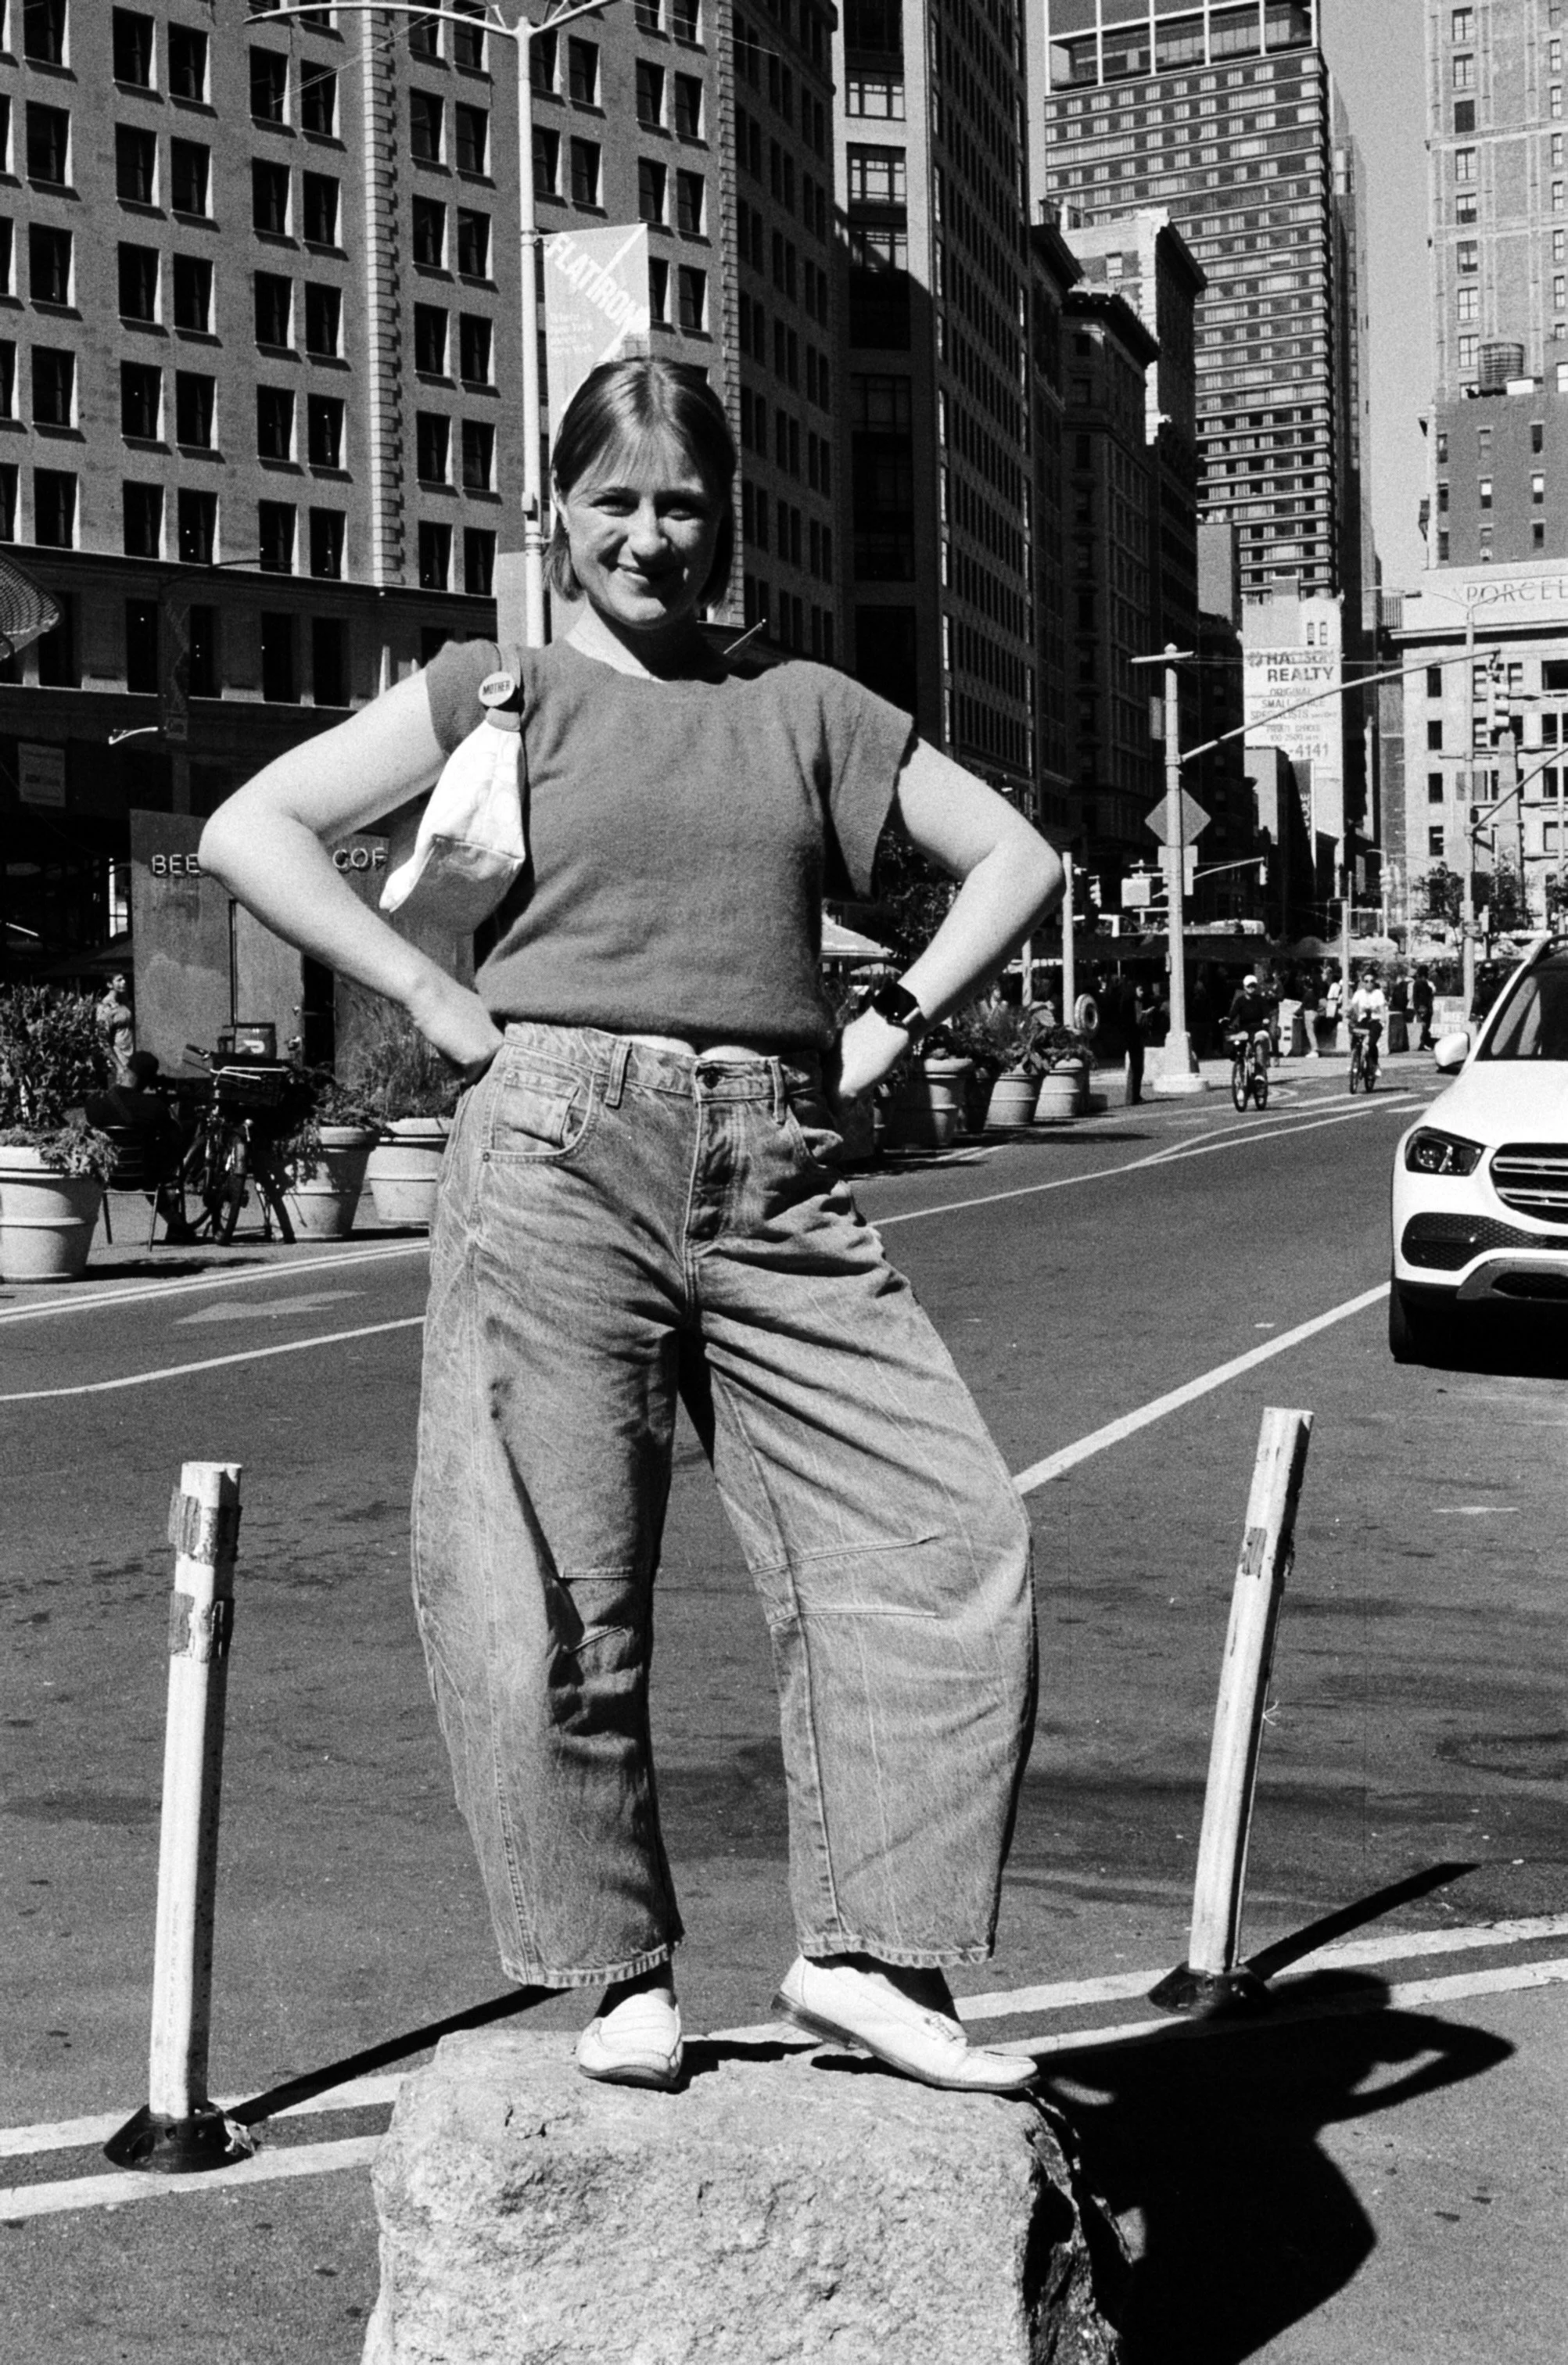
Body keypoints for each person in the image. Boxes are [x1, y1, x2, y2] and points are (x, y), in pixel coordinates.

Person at [200, 357, 1063, 2099]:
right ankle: (614, 1966)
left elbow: (1018, 859)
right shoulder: (498, 687)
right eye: (616, 500)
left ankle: (874, 1952)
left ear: (727, 519)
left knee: (940, 1534)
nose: (651, 535)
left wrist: (890, 1026)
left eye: (683, 502)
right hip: (554, 1140)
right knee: (546, 1576)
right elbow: (252, 827)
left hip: (776, 1157)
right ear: (558, 512)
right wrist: (431, 1002)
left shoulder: (806, 705)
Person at [82, 1050, 196, 1242]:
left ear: (126, 1071)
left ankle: (177, 1225)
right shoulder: (154, 1107)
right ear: (148, 1080)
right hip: (144, 1175)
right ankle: (176, 1223)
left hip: (108, 1174)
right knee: (160, 1163)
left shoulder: (96, 1104)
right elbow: (175, 1138)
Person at [1224, 973, 1273, 1077]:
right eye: (1249, 986)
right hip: (1245, 1031)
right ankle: (1239, 1065)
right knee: (1239, 1046)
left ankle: (1260, 1073)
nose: (1251, 988)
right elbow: (1232, 1014)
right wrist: (1227, 1020)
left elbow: (1267, 1013)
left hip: (1259, 1029)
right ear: (1244, 987)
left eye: (1253, 986)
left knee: (1259, 1045)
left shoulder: (1260, 1000)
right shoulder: (1240, 1001)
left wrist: (1266, 1019)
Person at [95, 972, 136, 1085]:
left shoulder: (124, 1003)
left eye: (124, 979)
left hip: (131, 1060)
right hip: (118, 1063)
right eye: (119, 980)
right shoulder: (105, 1008)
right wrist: (118, 1066)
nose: (124, 982)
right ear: (110, 985)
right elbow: (103, 1040)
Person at [1346, 967, 1387, 1071]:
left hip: (1375, 1021)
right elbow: (1353, 1007)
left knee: (1371, 1043)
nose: (1369, 983)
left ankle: (1375, 1064)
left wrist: (1382, 1019)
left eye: (1371, 981)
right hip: (1363, 1020)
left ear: (1374, 982)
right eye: (1366, 981)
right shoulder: (1359, 994)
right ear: (1363, 982)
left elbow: (1382, 1010)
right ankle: (1355, 1061)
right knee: (1355, 1041)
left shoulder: (1378, 994)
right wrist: (1349, 1013)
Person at [1412, 964, 1436, 1052]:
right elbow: (1425, 995)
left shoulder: (1419, 982)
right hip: (1423, 1007)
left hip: (1422, 1007)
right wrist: (1422, 1008)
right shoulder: (1421, 983)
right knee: (1424, 1026)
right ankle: (1423, 1043)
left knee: (1424, 1026)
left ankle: (1424, 1042)